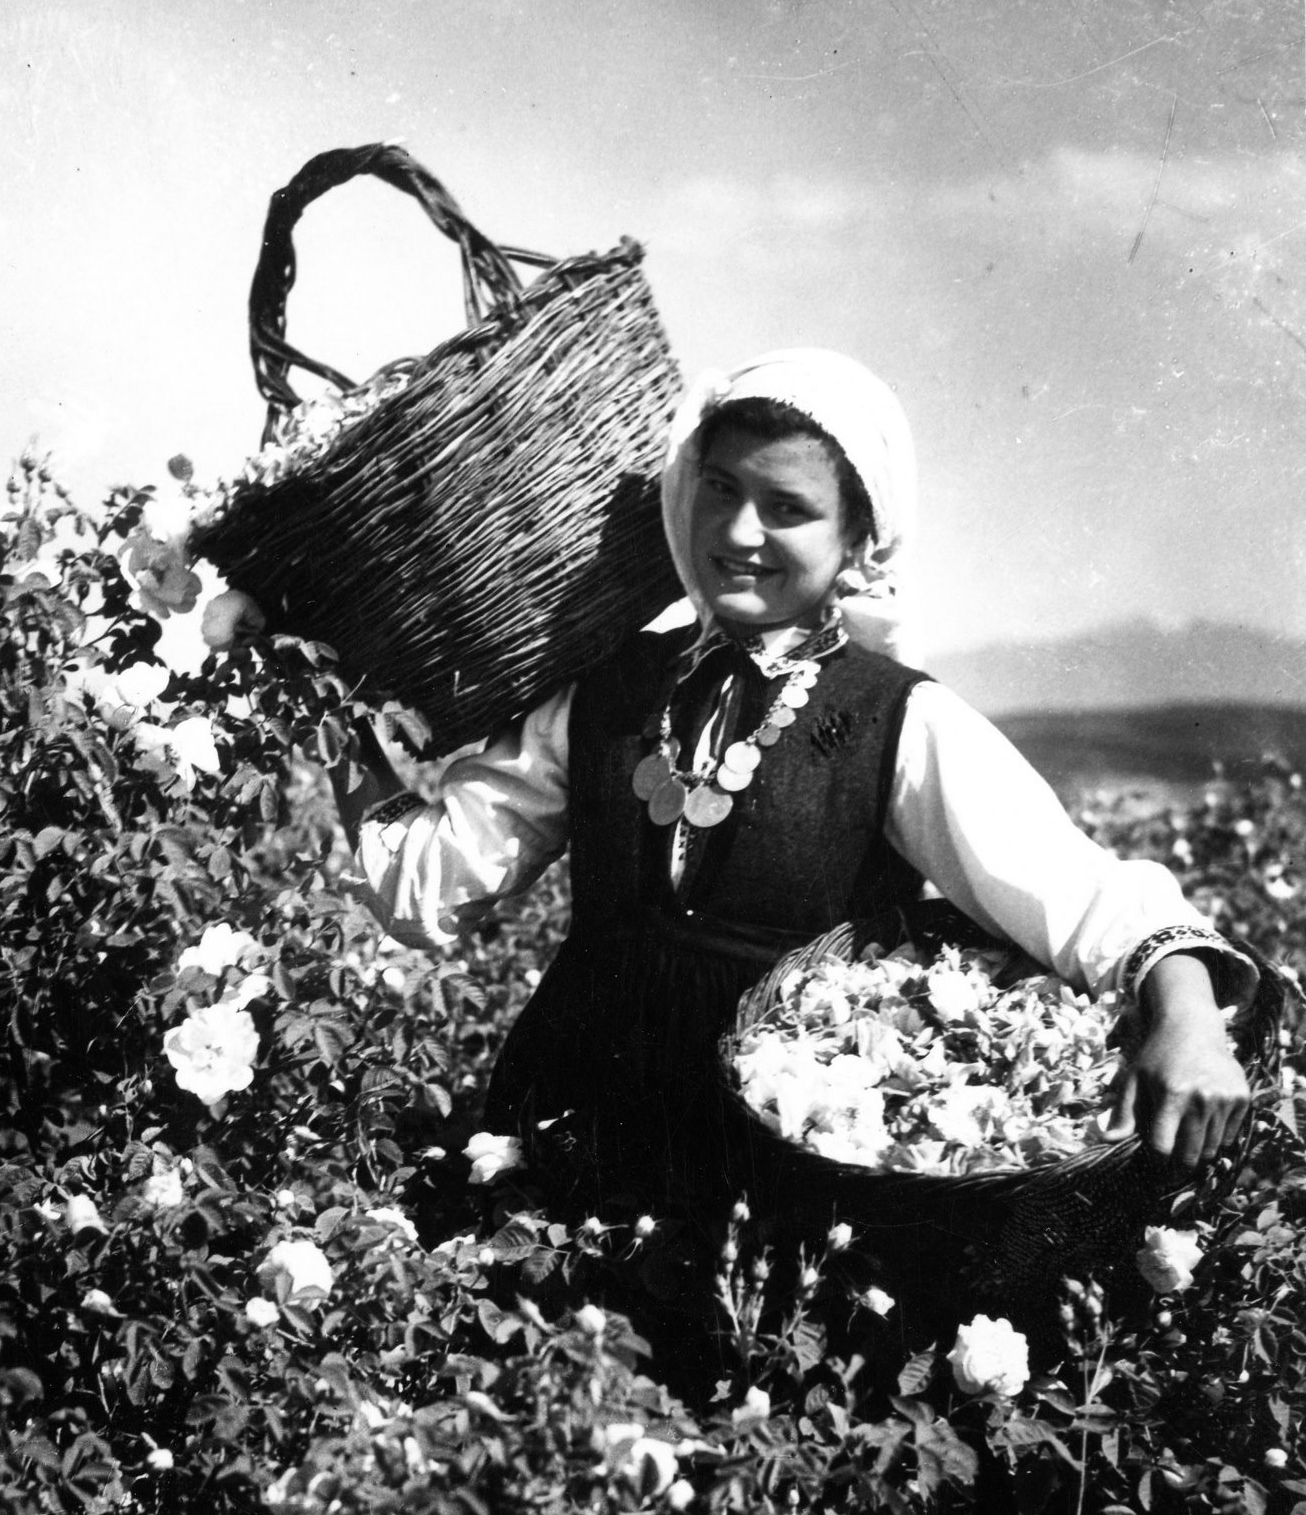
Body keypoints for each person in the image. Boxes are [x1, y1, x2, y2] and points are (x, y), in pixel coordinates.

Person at [331, 349, 1255, 1383]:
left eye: (786, 508)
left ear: (860, 539)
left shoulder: (894, 719)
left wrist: (1183, 1008)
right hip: (571, 1115)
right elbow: (435, 881)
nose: (736, 533)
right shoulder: (599, 695)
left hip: (770, 1165)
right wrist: (334, 719)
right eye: (719, 490)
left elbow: (1071, 889)